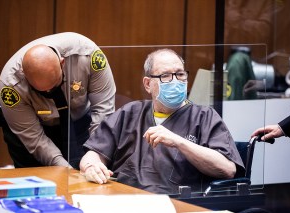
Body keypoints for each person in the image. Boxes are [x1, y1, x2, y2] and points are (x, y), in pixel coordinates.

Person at [80, 48, 245, 194]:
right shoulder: (130, 113)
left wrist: (179, 142)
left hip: (177, 204)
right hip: (124, 199)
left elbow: (228, 170)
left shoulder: (204, 117)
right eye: (165, 76)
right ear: (147, 84)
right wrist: (91, 166)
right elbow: (92, 154)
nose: (175, 81)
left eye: (180, 74)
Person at [0, 32, 116, 169]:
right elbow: (36, 140)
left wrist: (94, 157)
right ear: (25, 75)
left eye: (54, 85)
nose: (49, 92)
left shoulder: (87, 56)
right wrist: (67, 171)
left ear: (62, 63)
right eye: (42, 91)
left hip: (79, 122)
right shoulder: (11, 85)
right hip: (36, 128)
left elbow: (103, 111)